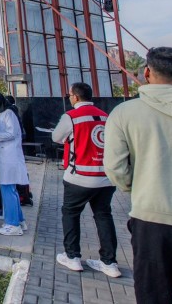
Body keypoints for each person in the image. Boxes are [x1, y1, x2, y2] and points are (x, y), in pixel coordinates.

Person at [104, 47, 172, 303]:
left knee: (152, 295)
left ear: (146, 73)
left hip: (152, 217)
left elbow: (115, 167)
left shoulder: (124, 114)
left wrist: (141, 187)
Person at [52, 82, 121, 278]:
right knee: (103, 216)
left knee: (71, 214)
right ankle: (109, 262)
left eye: (70, 95)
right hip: (105, 177)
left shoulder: (71, 116)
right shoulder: (105, 116)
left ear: (75, 97)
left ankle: (72, 256)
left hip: (79, 176)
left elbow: (56, 137)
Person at [0, 90, 29, 236]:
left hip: (9, 158)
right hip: (5, 157)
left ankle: (13, 224)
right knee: (11, 191)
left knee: (8, 191)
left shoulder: (9, 113)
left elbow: (11, 133)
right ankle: (19, 220)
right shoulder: (1, 113)